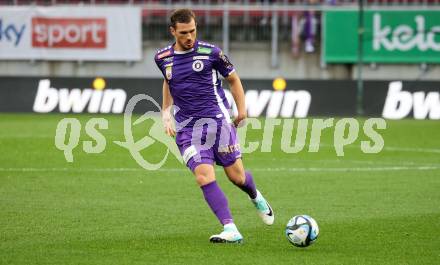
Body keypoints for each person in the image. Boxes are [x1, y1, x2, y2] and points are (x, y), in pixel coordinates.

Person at [154, 8, 274, 244]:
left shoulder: (212, 53)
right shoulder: (162, 58)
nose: (189, 37)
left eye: (193, 31)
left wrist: (242, 110)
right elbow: (168, 81)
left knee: (237, 177)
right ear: (173, 31)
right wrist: (166, 112)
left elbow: (233, 79)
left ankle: (255, 195)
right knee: (203, 176)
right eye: (184, 33)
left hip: (217, 123)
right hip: (188, 129)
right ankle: (230, 228)